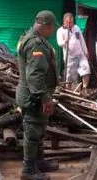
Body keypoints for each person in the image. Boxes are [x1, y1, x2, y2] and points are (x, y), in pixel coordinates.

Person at [16, 10, 60, 180]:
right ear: (46, 26)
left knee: (39, 130)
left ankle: (39, 162)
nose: (54, 31)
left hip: (34, 95)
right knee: (33, 132)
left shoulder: (30, 37)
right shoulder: (36, 44)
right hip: (33, 97)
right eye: (52, 28)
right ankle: (28, 170)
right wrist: (45, 98)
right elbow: (35, 75)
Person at [56, 13, 90, 92]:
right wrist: (65, 41)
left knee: (86, 69)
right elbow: (59, 43)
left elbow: (81, 40)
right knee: (71, 76)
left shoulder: (76, 28)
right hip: (70, 56)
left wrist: (86, 52)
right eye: (68, 23)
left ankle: (85, 88)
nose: (70, 24)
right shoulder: (60, 31)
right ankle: (70, 91)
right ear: (64, 21)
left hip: (80, 54)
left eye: (71, 22)